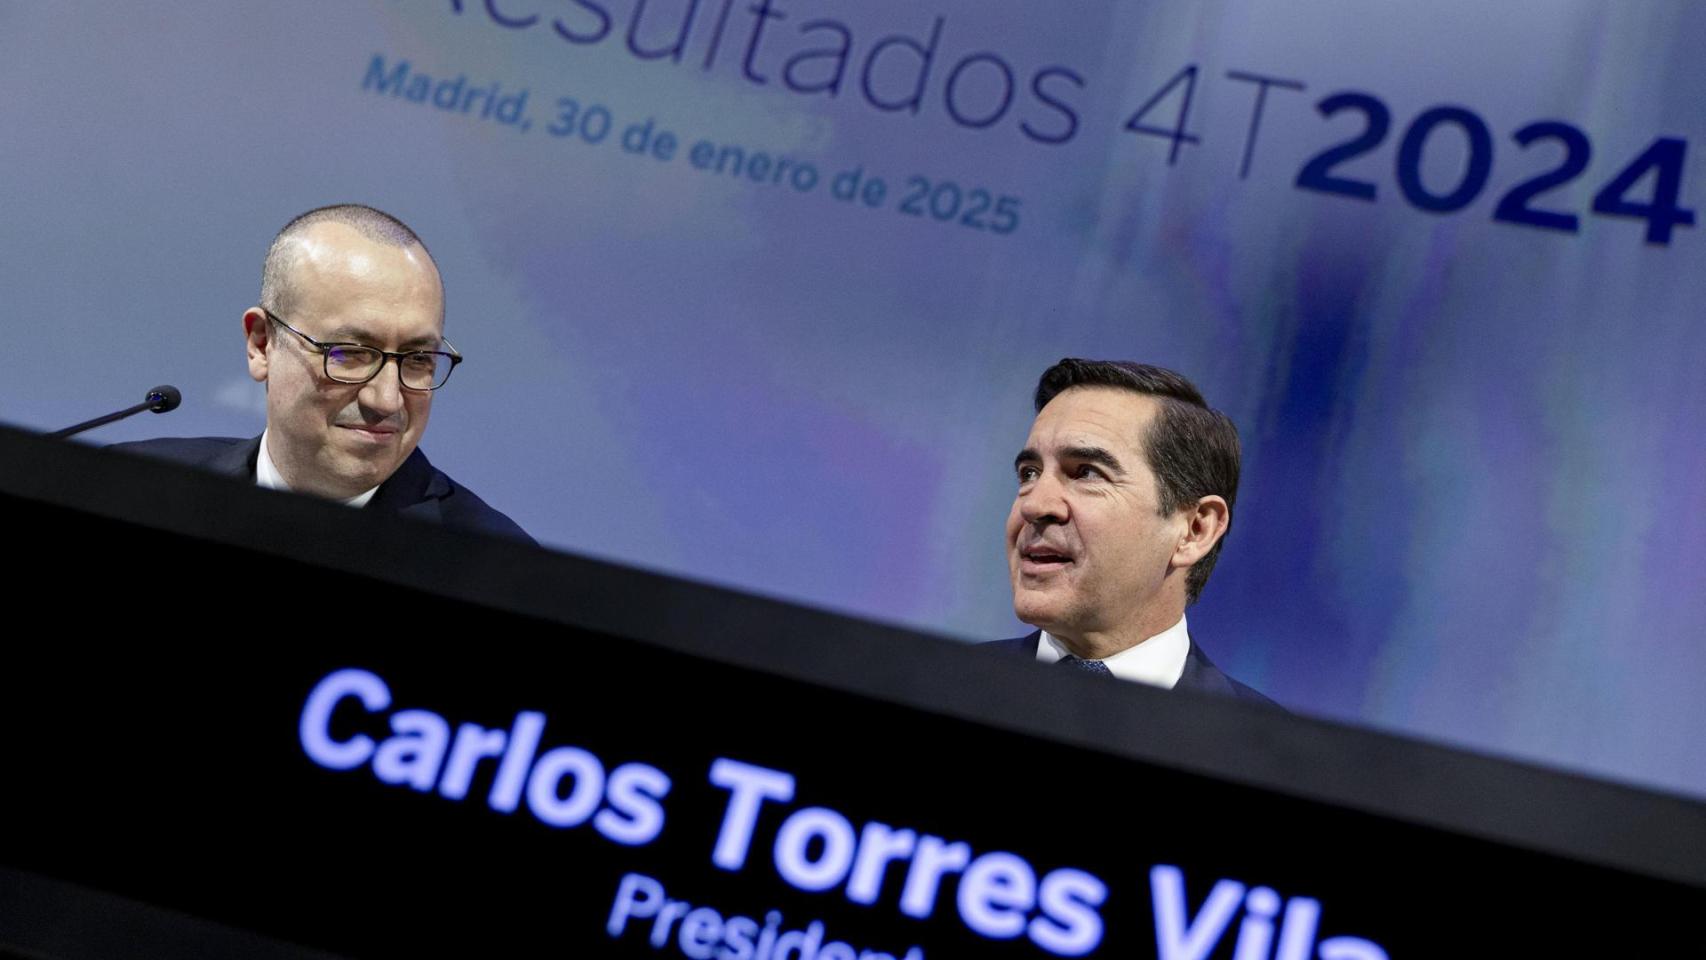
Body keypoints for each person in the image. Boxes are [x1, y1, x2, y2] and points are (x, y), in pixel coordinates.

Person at [113, 204, 530, 541]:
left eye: (418, 359)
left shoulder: (497, 568)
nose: (386, 400)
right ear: (261, 344)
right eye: (350, 354)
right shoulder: (128, 491)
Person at [989, 358, 1273, 704]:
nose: (1033, 506)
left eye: (1086, 473)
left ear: (1195, 530)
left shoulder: (1269, 749)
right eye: (1029, 473)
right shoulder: (939, 693)